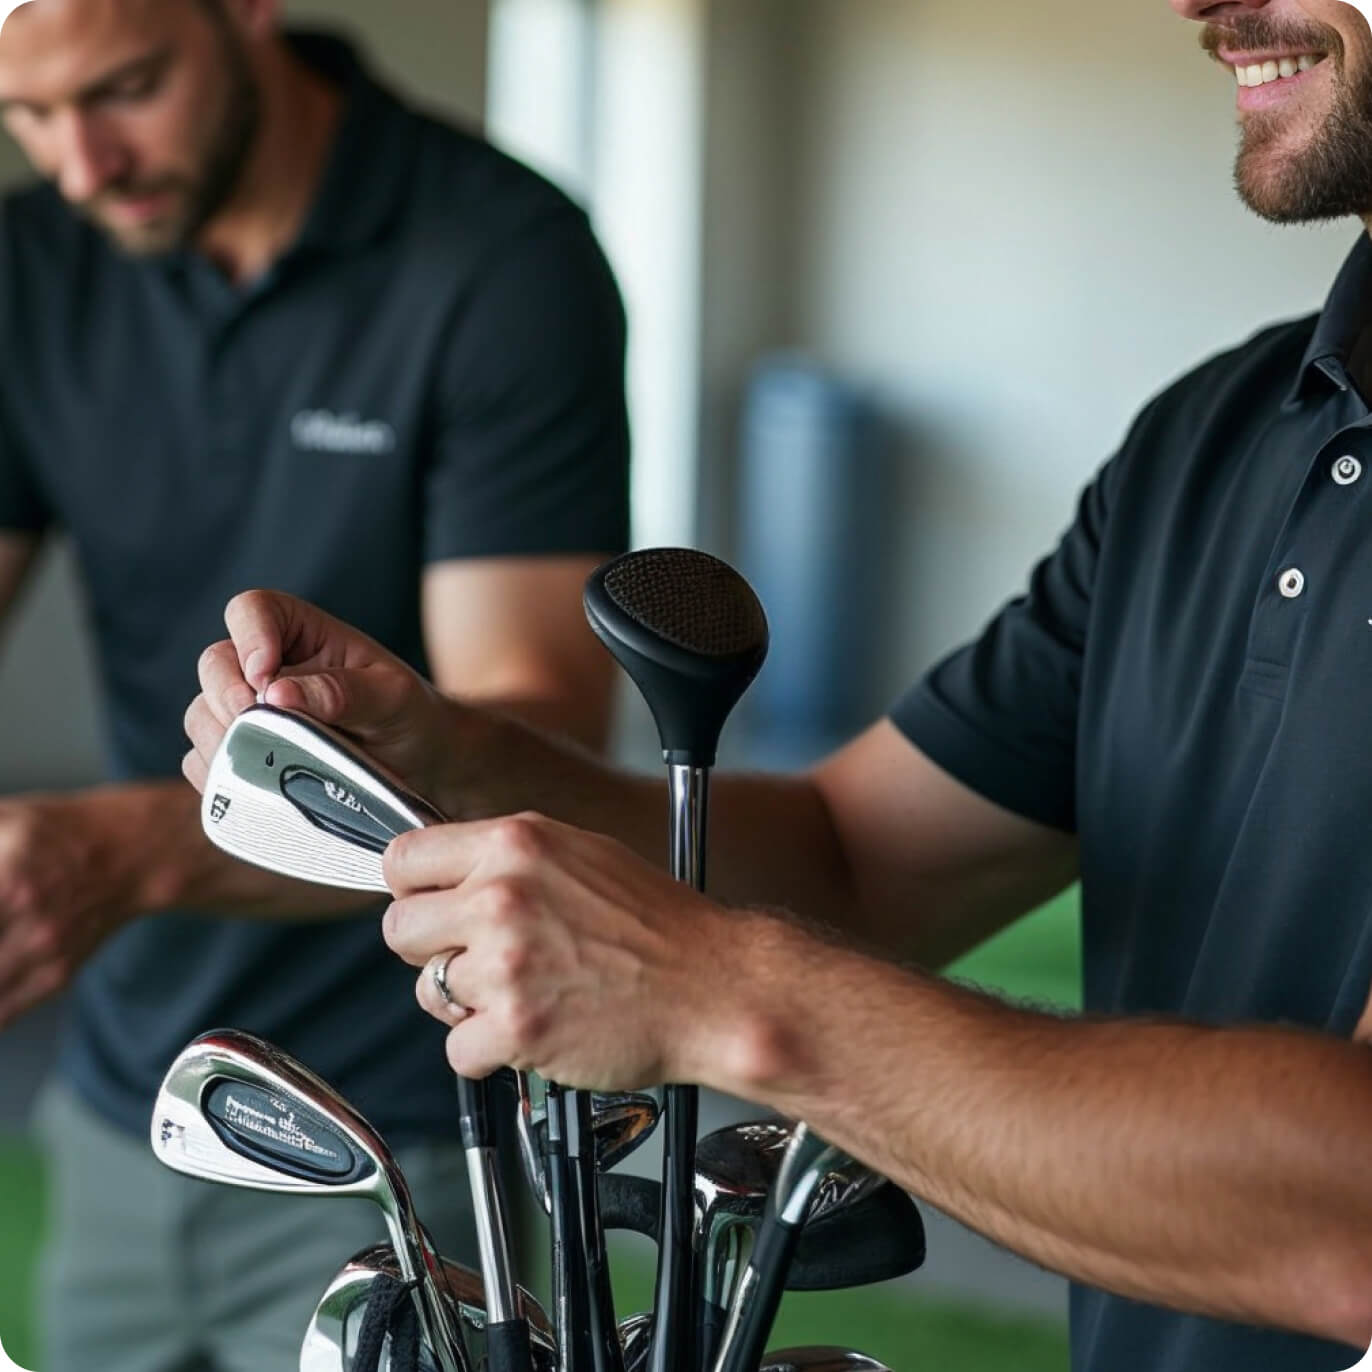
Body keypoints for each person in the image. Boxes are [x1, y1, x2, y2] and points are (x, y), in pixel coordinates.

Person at [184, 0, 1372, 1369]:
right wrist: (449, 761)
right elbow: (856, 861)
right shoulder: (1210, 439)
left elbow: (1349, 1211)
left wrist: (724, 995)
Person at [0, 0, 629, 1368]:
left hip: (412, 1112)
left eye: (126, 88)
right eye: (28, 116)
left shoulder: (500, 255)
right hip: (129, 1094)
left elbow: (536, 726)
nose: (82, 165)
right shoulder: (29, 264)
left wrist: (122, 852)